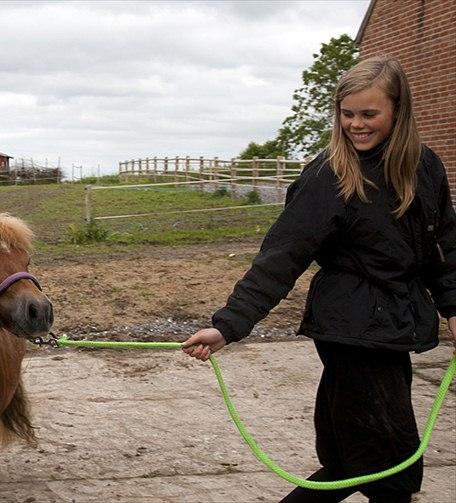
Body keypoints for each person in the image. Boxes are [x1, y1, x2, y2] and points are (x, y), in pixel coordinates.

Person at [182, 55, 456, 503]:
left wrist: (453, 306)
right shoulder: (329, 174)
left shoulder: (424, 167)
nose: (356, 125)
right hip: (352, 327)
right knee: (392, 466)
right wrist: (229, 324)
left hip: (393, 324)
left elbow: (443, 244)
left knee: (351, 460)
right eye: (347, 114)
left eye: (369, 114)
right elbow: (281, 257)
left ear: (398, 111)